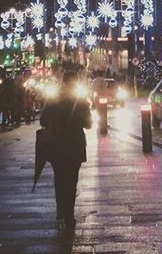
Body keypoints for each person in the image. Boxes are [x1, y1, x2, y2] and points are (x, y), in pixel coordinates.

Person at [40, 71, 92, 230]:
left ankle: (61, 209)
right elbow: (88, 124)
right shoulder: (80, 100)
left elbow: (43, 121)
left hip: (56, 144)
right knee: (71, 180)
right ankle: (69, 214)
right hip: (74, 145)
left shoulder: (53, 98)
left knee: (59, 178)